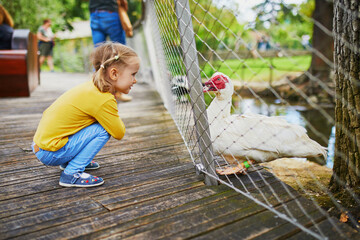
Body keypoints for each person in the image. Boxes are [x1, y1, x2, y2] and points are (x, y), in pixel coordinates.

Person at [31, 42, 140, 187]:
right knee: (103, 130)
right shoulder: (104, 99)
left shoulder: (91, 86)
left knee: (94, 123)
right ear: (114, 73)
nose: (135, 80)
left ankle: (69, 161)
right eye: (133, 74)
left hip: (42, 145)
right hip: (50, 152)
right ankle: (72, 173)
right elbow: (119, 132)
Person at [89, 0, 133, 102]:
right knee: (119, 53)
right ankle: (119, 92)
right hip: (110, 13)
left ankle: (98, 92)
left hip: (94, 14)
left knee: (99, 54)